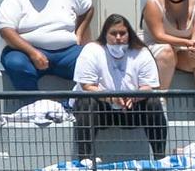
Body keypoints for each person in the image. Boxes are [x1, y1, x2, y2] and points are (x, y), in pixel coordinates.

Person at [72, 13, 168, 162]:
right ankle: (84, 157)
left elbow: (149, 86)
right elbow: (87, 86)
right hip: (102, 109)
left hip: (129, 109)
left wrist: (135, 96)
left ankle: (160, 157)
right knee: (86, 102)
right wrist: (111, 98)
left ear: (129, 34)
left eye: (122, 33)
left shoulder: (141, 52)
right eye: (113, 33)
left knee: (153, 103)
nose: (118, 37)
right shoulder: (92, 50)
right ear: (105, 34)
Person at [0, 0, 95, 93]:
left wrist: (79, 34)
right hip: (27, 53)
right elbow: (6, 31)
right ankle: (34, 108)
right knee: (15, 63)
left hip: (67, 52)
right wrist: (33, 53)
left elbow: (88, 8)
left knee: (92, 62)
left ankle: (70, 108)